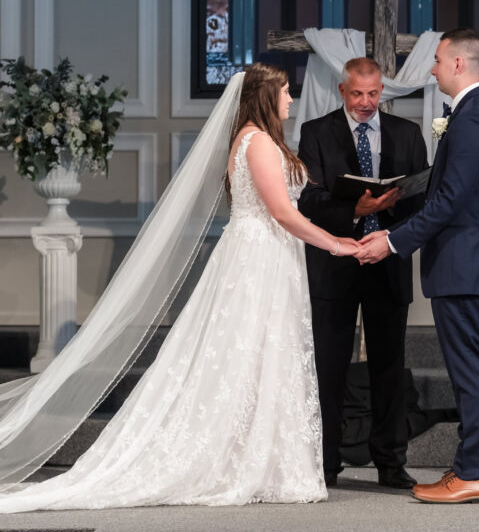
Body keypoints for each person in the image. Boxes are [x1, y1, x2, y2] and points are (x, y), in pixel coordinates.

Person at [0, 63, 359, 511]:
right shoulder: (259, 142)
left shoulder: (250, 139)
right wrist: (337, 246)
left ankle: (260, 457)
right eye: (286, 92)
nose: (291, 100)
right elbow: (283, 214)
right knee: (248, 351)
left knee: (262, 353)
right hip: (260, 256)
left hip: (266, 254)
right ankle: (241, 461)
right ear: (266, 96)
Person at [357, 29, 479, 505]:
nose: (432, 68)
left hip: (463, 260)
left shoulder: (475, 119)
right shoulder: (467, 115)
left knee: (468, 371)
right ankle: (469, 468)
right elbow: (443, 192)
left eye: (438, 60)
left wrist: (393, 242)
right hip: (457, 260)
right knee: (466, 368)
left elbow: (449, 203)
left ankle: (475, 473)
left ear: (460, 64)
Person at [298, 57, 428, 490]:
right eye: (358, 94)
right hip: (336, 262)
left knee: (388, 367)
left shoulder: (407, 135)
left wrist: (392, 206)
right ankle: (326, 463)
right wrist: (356, 209)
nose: (367, 102)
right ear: (342, 91)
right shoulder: (316, 132)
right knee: (329, 366)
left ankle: (390, 463)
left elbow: (423, 200)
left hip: (387, 260)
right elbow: (308, 202)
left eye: (374, 94)